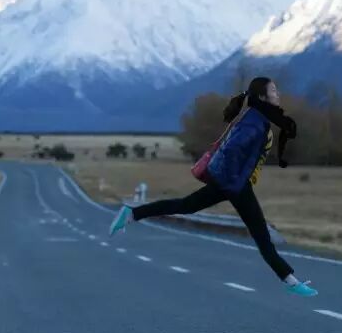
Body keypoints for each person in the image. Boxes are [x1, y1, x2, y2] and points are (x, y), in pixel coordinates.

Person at [108, 77, 318, 297]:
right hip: (235, 185)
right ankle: (291, 282)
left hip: (230, 183)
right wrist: (236, 181)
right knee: (261, 235)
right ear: (262, 96)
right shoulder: (255, 121)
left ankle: (131, 214)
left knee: (185, 205)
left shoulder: (257, 118)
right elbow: (233, 150)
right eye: (273, 90)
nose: (278, 94)